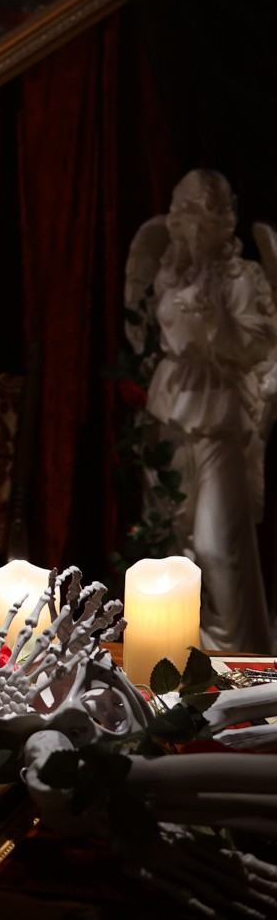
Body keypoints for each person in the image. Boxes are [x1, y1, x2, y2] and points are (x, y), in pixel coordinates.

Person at [144, 170, 277, 652]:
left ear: (221, 225)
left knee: (217, 546)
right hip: (172, 406)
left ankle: (235, 651)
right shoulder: (171, 272)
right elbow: (163, 332)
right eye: (185, 221)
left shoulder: (242, 278)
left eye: (201, 222)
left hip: (222, 414)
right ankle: (182, 646)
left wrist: (214, 319)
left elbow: (257, 345)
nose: (191, 233)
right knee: (174, 535)